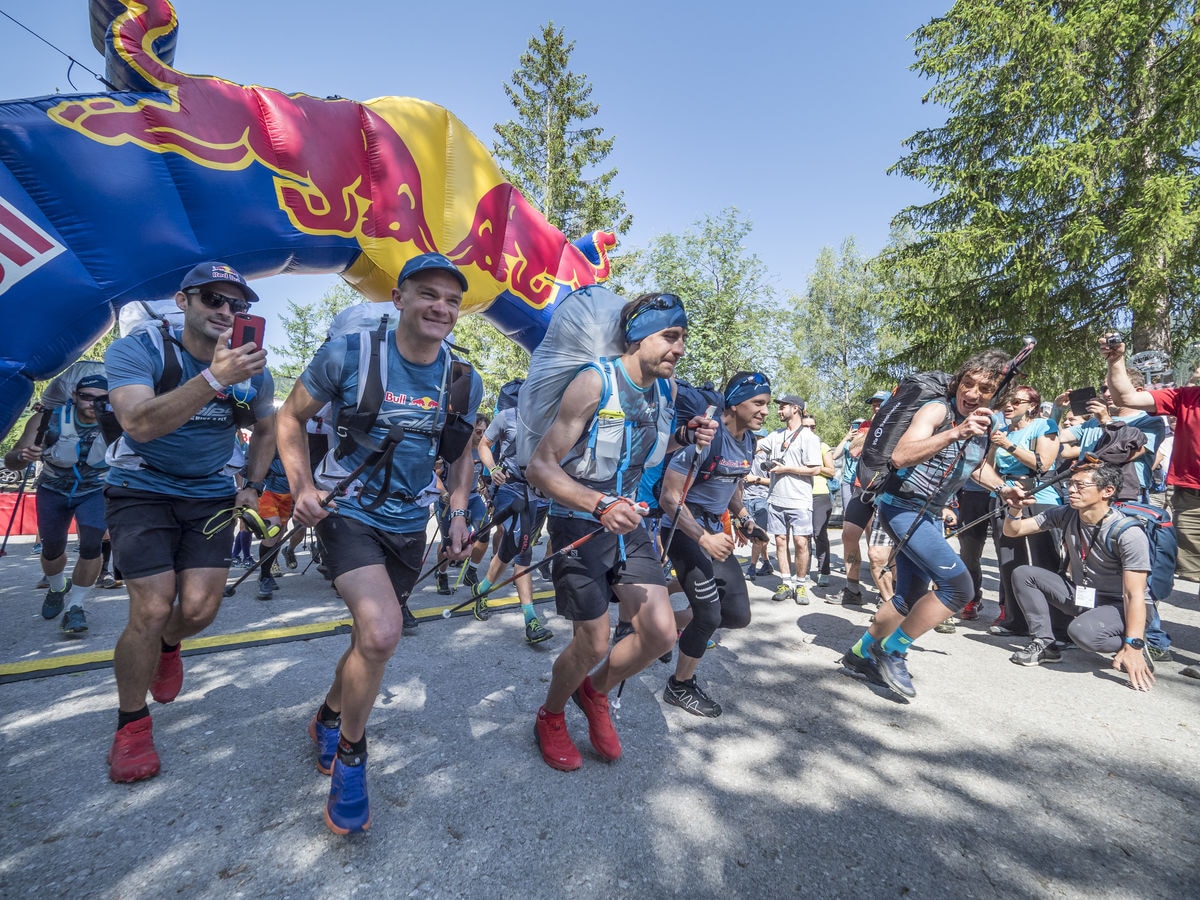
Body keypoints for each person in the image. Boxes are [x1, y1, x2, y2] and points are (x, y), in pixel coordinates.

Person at [277, 252, 482, 833]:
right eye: (428, 294)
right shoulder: (352, 353)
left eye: (452, 300)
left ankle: (326, 716)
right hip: (348, 510)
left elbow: (460, 450)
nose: (441, 307)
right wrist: (302, 487)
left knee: (369, 640)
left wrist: (460, 511)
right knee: (383, 632)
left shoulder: (463, 378)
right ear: (399, 299)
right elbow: (289, 419)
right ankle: (351, 756)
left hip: (410, 522)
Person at [526, 292, 716, 771]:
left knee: (660, 634)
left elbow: (642, 448)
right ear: (637, 335)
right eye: (670, 336)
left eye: (683, 340)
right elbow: (541, 468)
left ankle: (594, 693)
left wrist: (684, 437)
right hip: (580, 521)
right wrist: (599, 502)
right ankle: (550, 716)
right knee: (591, 642)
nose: (680, 349)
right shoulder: (594, 383)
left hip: (628, 523)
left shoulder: (665, 392)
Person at [103, 261, 275, 783]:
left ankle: (169, 647)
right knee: (152, 608)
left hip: (211, 495)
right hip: (141, 488)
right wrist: (213, 378)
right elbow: (137, 423)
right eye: (213, 300)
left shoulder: (252, 368)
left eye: (238, 305)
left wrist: (252, 485)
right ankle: (131, 725)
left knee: (198, 610)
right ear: (184, 302)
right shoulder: (139, 349)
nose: (227, 312)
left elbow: (267, 431)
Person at [840, 350, 1024, 699]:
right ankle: (892, 650)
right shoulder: (937, 410)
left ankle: (860, 653)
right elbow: (901, 456)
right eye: (967, 383)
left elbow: (974, 466)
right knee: (959, 587)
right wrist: (955, 432)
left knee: (909, 595)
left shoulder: (989, 423)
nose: (971, 393)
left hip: (929, 512)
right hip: (901, 506)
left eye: (984, 388)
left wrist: (1003, 488)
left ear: (997, 392)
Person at [659, 371, 769, 716]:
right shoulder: (706, 439)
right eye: (758, 403)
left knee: (736, 615)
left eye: (767, 403)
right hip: (682, 528)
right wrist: (703, 537)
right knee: (708, 614)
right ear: (734, 403)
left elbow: (733, 486)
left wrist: (744, 519)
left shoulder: (749, 440)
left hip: (712, 529)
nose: (765, 411)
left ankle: (661, 621)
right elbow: (668, 498)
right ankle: (679, 686)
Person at [1002, 463, 1156, 691]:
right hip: (1087, 595)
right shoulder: (1067, 514)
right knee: (1025, 574)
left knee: (1080, 633)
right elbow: (1013, 531)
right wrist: (1014, 509)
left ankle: (1134, 644)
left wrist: (1133, 644)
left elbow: (1133, 594)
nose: (1071, 490)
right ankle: (1044, 644)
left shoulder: (1128, 533)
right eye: (1070, 484)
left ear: (1108, 491)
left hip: (1120, 605)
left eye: (1080, 485)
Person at [4, 373, 112, 634]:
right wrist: (23, 456)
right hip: (53, 490)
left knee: (91, 543)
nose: (92, 404)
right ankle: (56, 587)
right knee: (52, 549)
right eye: (86, 397)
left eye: (102, 399)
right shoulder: (46, 419)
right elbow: (11, 461)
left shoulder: (117, 423)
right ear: (74, 396)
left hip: (95, 490)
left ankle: (75, 607)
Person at [1101, 334, 1200, 581]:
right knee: (1195, 573)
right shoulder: (1185, 396)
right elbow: (1127, 398)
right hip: (1190, 496)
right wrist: (1116, 360)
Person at [473, 405, 554, 644]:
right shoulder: (508, 416)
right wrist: (493, 468)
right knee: (523, 547)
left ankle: (482, 589)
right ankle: (530, 619)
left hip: (540, 496)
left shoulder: (556, 415)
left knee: (510, 547)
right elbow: (483, 445)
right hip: (510, 490)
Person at [986, 385, 1061, 638]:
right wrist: (995, 447)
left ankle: (1057, 626)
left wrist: (1007, 444)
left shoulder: (1044, 425)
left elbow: (1043, 463)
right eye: (1006, 401)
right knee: (1008, 560)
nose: (1009, 406)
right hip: (1005, 496)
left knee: (1045, 560)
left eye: (1016, 401)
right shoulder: (1000, 432)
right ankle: (1015, 619)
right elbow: (986, 468)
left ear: (1032, 405)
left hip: (1040, 496)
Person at [757, 395, 823, 603]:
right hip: (776, 499)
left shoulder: (809, 438)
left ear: (795, 409)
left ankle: (801, 584)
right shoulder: (776, 435)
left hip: (800, 500)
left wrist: (786, 469)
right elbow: (756, 446)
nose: (778, 410)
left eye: (782, 407)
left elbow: (816, 469)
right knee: (780, 541)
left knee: (801, 542)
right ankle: (786, 582)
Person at [802, 413, 836, 586]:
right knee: (802, 535)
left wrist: (815, 466)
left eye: (812, 427)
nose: (810, 429)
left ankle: (823, 571)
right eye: (806, 426)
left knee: (819, 533)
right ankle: (804, 570)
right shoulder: (796, 445)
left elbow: (831, 471)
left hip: (819, 494)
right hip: (800, 494)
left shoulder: (823, 446)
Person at [741, 432, 772, 579]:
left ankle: (751, 568)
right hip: (745, 499)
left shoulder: (768, 458)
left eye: (756, 438)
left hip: (762, 499)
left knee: (758, 536)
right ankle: (766, 563)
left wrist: (756, 479)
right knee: (755, 536)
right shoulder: (744, 455)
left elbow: (774, 481)